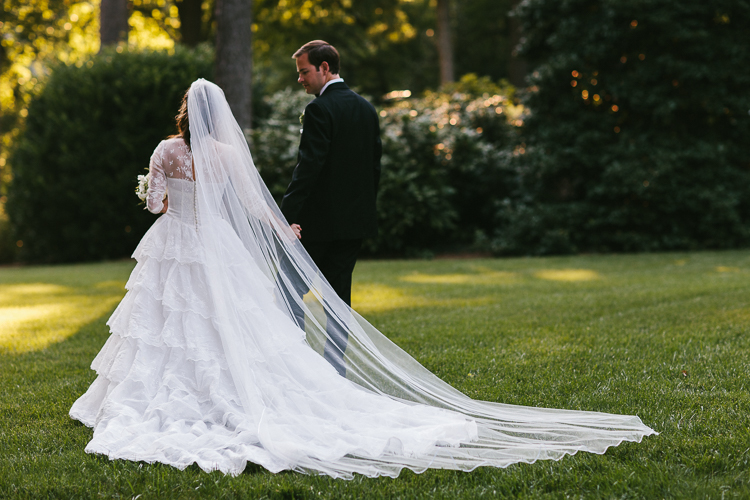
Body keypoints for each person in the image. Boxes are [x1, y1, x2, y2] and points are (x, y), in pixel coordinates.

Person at [70, 78, 656, 479]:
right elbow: (243, 205)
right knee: (228, 323)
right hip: (218, 248)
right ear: (216, 113)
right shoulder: (225, 153)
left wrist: (152, 192)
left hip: (177, 244)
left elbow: (157, 208)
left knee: (167, 322)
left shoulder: (168, 150)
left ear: (181, 110)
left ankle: (169, 398)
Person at [280, 41, 381, 377]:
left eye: (304, 72)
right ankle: (334, 372)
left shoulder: (319, 110)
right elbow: (373, 169)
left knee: (288, 289)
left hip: (316, 225)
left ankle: (295, 365)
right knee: (338, 300)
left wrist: (285, 214)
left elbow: (308, 168)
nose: (300, 80)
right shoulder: (367, 109)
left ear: (325, 68)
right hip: (354, 223)